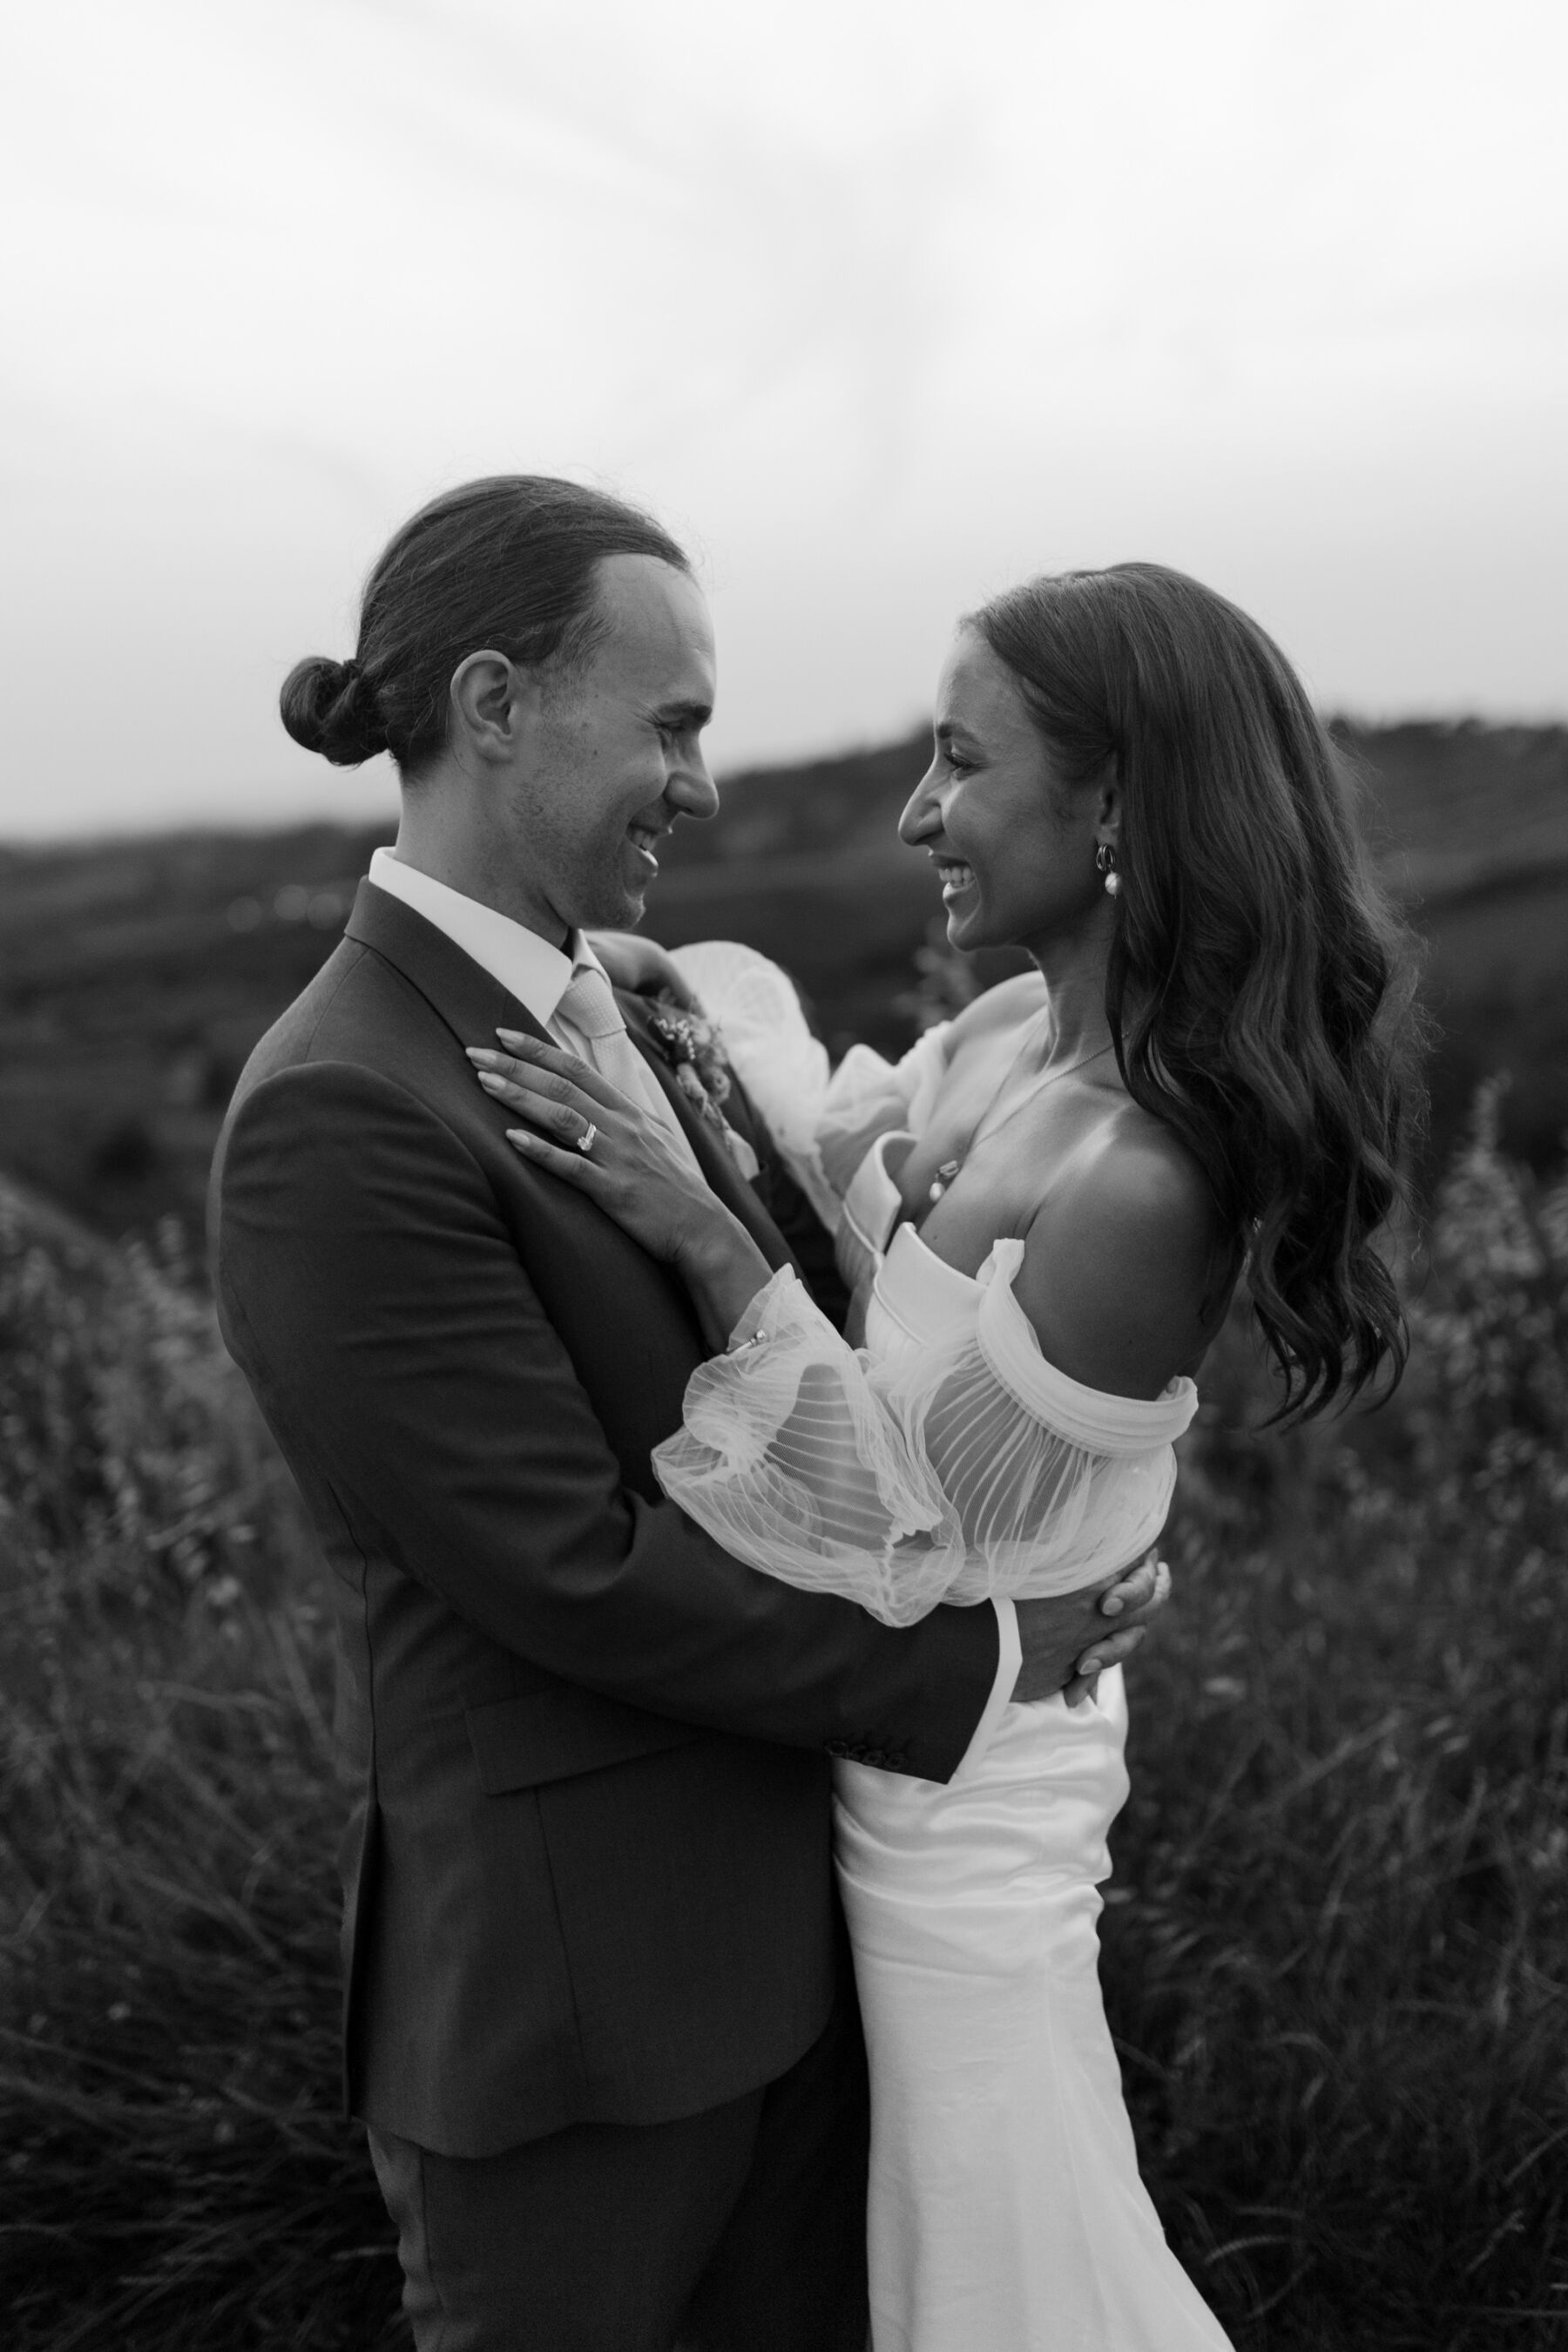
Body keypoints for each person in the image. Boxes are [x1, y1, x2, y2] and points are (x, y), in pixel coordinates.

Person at [208, 477, 1166, 2352]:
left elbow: (817, 1345)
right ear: (494, 707)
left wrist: (1067, 1504)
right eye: (675, 724)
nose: (703, 784)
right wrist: (981, 1658)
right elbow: (569, 1569)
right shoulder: (339, 1106)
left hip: (799, 1968)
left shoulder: (625, 1017)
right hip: (580, 2036)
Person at [475, 559, 1417, 2350]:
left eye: (961, 764)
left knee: (1001, 2267)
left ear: (1120, 798)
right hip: (885, 1758)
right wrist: (664, 1000)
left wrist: (694, 1231)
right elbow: (853, 1160)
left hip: (960, 1840)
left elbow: (899, 1532)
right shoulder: (1000, 1043)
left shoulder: (1146, 1182)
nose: (920, 814)